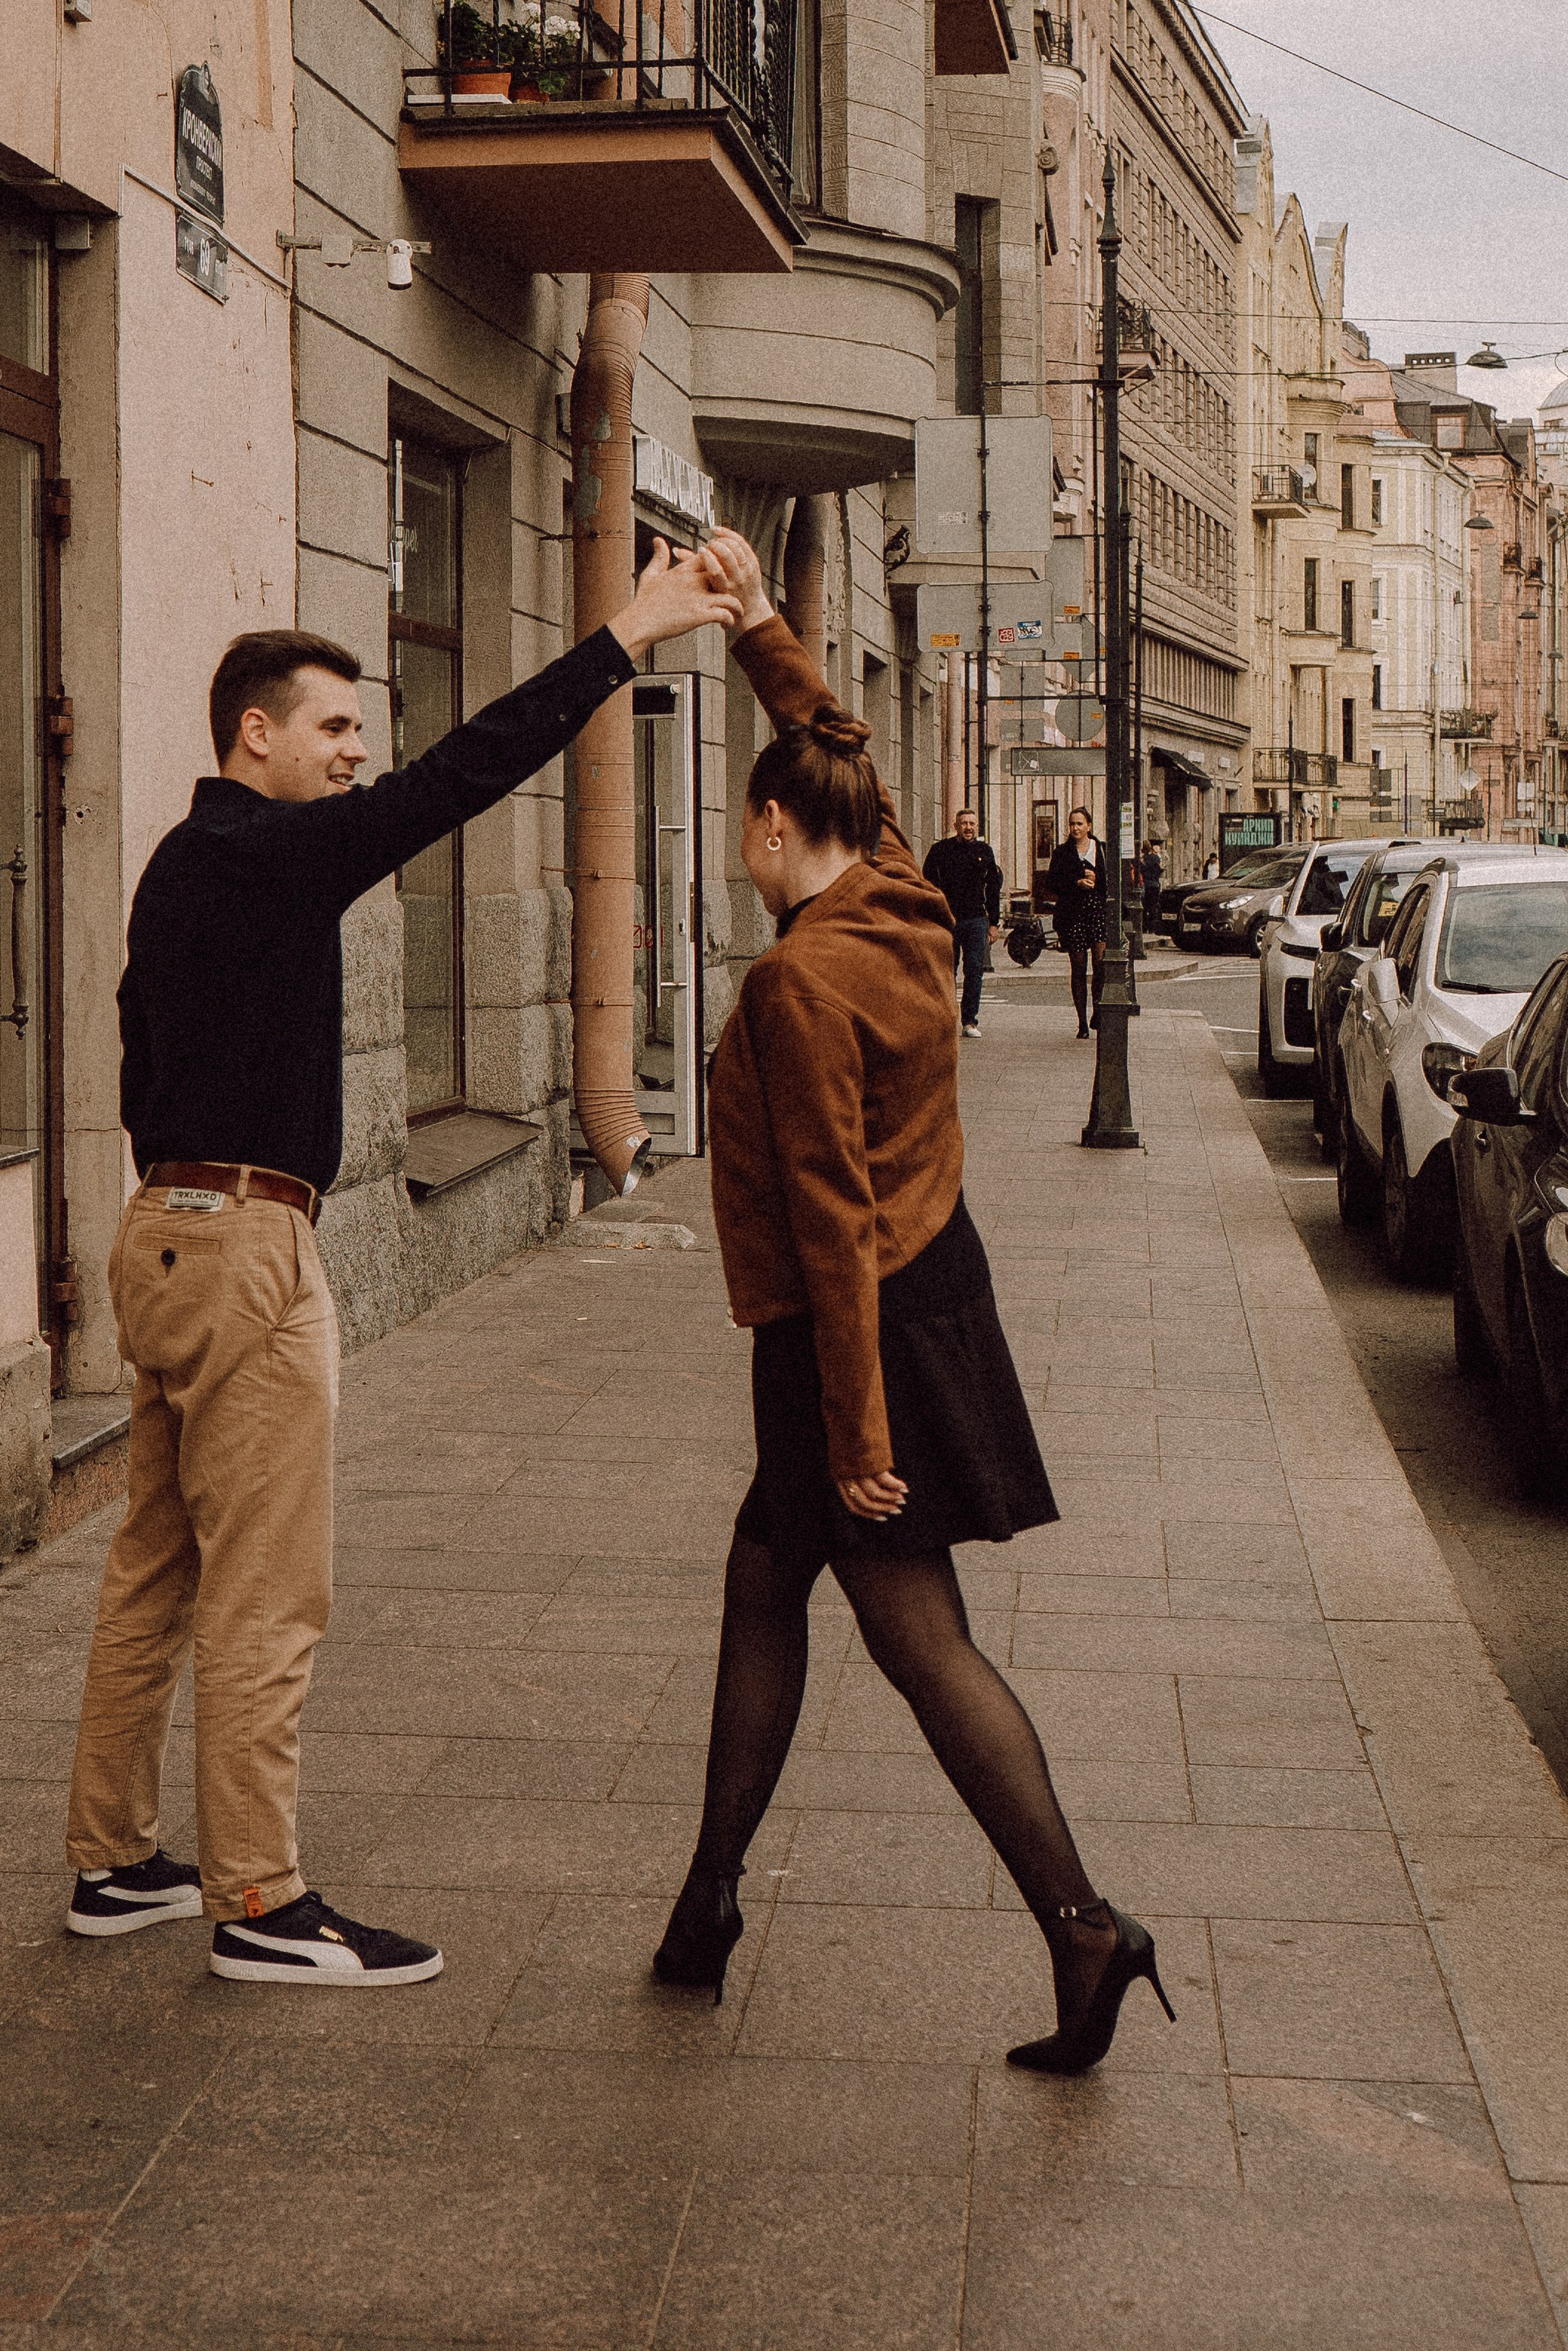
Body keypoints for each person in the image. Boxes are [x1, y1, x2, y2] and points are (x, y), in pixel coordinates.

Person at [62, 544, 737, 1986]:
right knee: (266, 1591)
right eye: (334, 727)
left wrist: (184, 1208)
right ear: (255, 734)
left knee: (155, 1567)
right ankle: (261, 1902)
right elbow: (466, 776)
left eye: (359, 730)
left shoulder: (184, 862)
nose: (357, 752)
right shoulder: (277, 851)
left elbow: (137, 1048)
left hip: (164, 1231)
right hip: (242, 1243)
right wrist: (629, 631)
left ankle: (114, 1862)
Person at [650, 531, 1173, 2076]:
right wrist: (760, 627)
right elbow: (839, 749)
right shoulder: (898, 901)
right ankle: (706, 1901)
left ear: (768, 825)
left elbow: (830, 1218)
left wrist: (859, 1435)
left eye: (745, 838)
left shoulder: (797, 980)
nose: (740, 864)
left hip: (854, 1330)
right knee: (763, 1579)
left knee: (915, 1633)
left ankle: (1083, 1926)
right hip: (926, 1288)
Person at [922, 807, 1001, 1037]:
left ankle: (969, 1022)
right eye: (964, 823)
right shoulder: (940, 850)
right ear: (956, 826)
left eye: (972, 824)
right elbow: (928, 885)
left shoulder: (985, 852)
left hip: (976, 919)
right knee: (947, 971)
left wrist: (994, 923)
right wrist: (932, 916)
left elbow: (993, 889)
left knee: (974, 970)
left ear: (977, 826)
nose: (968, 828)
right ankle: (946, 1018)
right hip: (947, 920)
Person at [1044, 805, 1108, 1040]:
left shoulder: (1102, 850)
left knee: (1101, 963)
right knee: (1079, 967)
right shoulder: (1062, 852)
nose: (1075, 828)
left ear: (1089, 826)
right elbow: (1052, 883)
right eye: (1072, 823)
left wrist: (1097, 879)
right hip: (1073, 915)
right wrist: (1076, 883)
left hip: (1098, 912)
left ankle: (1098, 1010)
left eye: (1080, 823)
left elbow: (1113, 882)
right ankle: (1082, 1021)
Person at [1140, 837, 1163, 935]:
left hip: (1145, 885)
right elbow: (1160, 870)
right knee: (1153, 907)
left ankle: (1144, 928)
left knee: (1144, 907)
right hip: (1154, 885)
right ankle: (1152, 929)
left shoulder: (1142, 860)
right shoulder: (1156, 858)